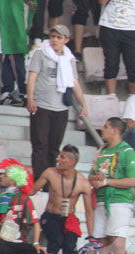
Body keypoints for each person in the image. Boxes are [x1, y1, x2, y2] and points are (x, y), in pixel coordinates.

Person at [29, 145, 94, 254]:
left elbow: (89, 211)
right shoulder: (50, 173)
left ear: (71, 162)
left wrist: (91, 236)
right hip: (50, 216)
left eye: (62, 157)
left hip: (69, 218)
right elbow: (31, 191)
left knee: (70, 247)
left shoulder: (82, 182)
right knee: (56, 240)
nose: (57, 159)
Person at [26, 25, 88, 179]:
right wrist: (30, 98)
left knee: (54, 147)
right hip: (42, 105)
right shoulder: (40, 53)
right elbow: (32, 77)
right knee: (40, 145)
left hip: (60, 108)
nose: (54, 40)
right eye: (53, 36)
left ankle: (50, 181)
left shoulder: (69, 58)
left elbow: (75, 83)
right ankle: (39, 179)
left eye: (59, 37)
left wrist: (84, 104)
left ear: (66, 40)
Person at [88, 117, 135, 254]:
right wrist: (96, 179)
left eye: (105, 127)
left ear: (115, 131)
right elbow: (91, 177)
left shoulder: (127, 152)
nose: (102, 130)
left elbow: (132, 181)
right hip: (101, 201)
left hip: (119, 201)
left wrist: (107, 181)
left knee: (117, 244)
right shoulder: (101, 151)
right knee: (102, 243)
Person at [99, 0, 135, 95]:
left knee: (134, 65)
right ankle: (111, 97)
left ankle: (133, 99)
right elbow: (101, 2)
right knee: (111, 63)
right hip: (109, 25)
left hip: (130, 28)